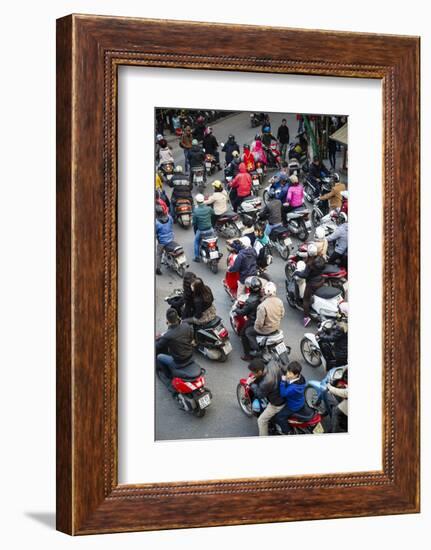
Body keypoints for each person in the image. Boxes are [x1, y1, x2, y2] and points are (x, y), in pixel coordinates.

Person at [244, 282, 285, 356]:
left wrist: (256, 328)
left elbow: (259, 323)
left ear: (265, 291)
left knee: (248, 332)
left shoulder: (262, 306)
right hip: (276, 327)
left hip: (266, 330)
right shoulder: (279, 301)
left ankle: (257, 350)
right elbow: (282, 315)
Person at [247, 358, 285, 436]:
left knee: (261, 421)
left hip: (277, 403)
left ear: (260, 371)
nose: (252, 374)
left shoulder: (266, 382)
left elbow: (259, 395)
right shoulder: (272, 363)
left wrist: (251, 384)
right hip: (282, 389)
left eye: (253, 373)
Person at [155, 308, 195, 381]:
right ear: (177, 317)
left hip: (179, 361)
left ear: (167, 320)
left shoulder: (168, 335)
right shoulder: (186, 326)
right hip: (190, 355)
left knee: (159, 356)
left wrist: (157, 338)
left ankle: (168, 376)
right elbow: (190, 339)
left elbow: (158, 346)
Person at [294, 243, 326, 327]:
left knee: (306, 299)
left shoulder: (310, 264)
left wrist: (296, 272)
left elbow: (304, 275)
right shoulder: (321, 258)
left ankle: (306, 318)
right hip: (321, 281)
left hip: (312, 284)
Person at [233, 276, 263, 361]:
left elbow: (243, 313)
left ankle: (248, 355)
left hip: (253, 320)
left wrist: (236, 310)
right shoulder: (262, 294)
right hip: (263, 318)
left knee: (243, 333)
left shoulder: (250, 301)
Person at [276, 361, 307, 433]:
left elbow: (283, 394)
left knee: (279, 417)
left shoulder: (293, 388)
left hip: (293, 406)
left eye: (290, 373)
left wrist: (283, 382)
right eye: (287, 371)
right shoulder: (301, 378)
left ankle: (287, 431)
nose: (287, 374)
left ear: (296, 375)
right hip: (300, 401)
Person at [318, 302, 348, 369]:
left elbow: (332, 338)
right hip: (346, 348)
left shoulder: (342, 327)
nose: (338, 311)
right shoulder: (346, 321)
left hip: (342, 353)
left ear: (343, 313)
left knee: (337, 368)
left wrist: (321, 335)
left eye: (339, 310)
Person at [192, 193, 214, 262]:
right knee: (214, 240)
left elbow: (194, 223)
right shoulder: (209, 208)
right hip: (210, 229)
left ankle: (197, 257)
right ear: (203, 200)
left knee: (196, 242)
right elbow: (213, 214)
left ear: (197, 201)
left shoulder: (195, 211)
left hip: (201, 231)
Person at [155, 204, 174, 275]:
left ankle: (158, 269)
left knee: (159, 254)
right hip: (171, 237)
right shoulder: (169, 217)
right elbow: (171, 225)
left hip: (162, 241)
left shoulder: (156, 222)